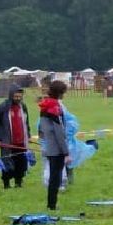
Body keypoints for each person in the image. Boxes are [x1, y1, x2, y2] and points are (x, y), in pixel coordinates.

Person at [0, 86, 33, 188]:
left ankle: (19, 183)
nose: (18, 98)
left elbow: (26, 123)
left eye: (20, 96)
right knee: (7, 163)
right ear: (11, 96)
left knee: (21, 163)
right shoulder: (2, 107)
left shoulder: (23, 106)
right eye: (16, 96)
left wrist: (29, 136)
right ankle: (6, 184)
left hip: (21, 142)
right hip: (7, 141)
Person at [37, 81, 70, 211]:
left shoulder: (45, 104)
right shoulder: (54, 106)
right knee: (55, 178)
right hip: (56, 148)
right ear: (59, 92)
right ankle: (52, 205)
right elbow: (59, 131)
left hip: (49, 145)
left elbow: (42, 127)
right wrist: (66, 151)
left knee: (54, 176)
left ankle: (51, 204)